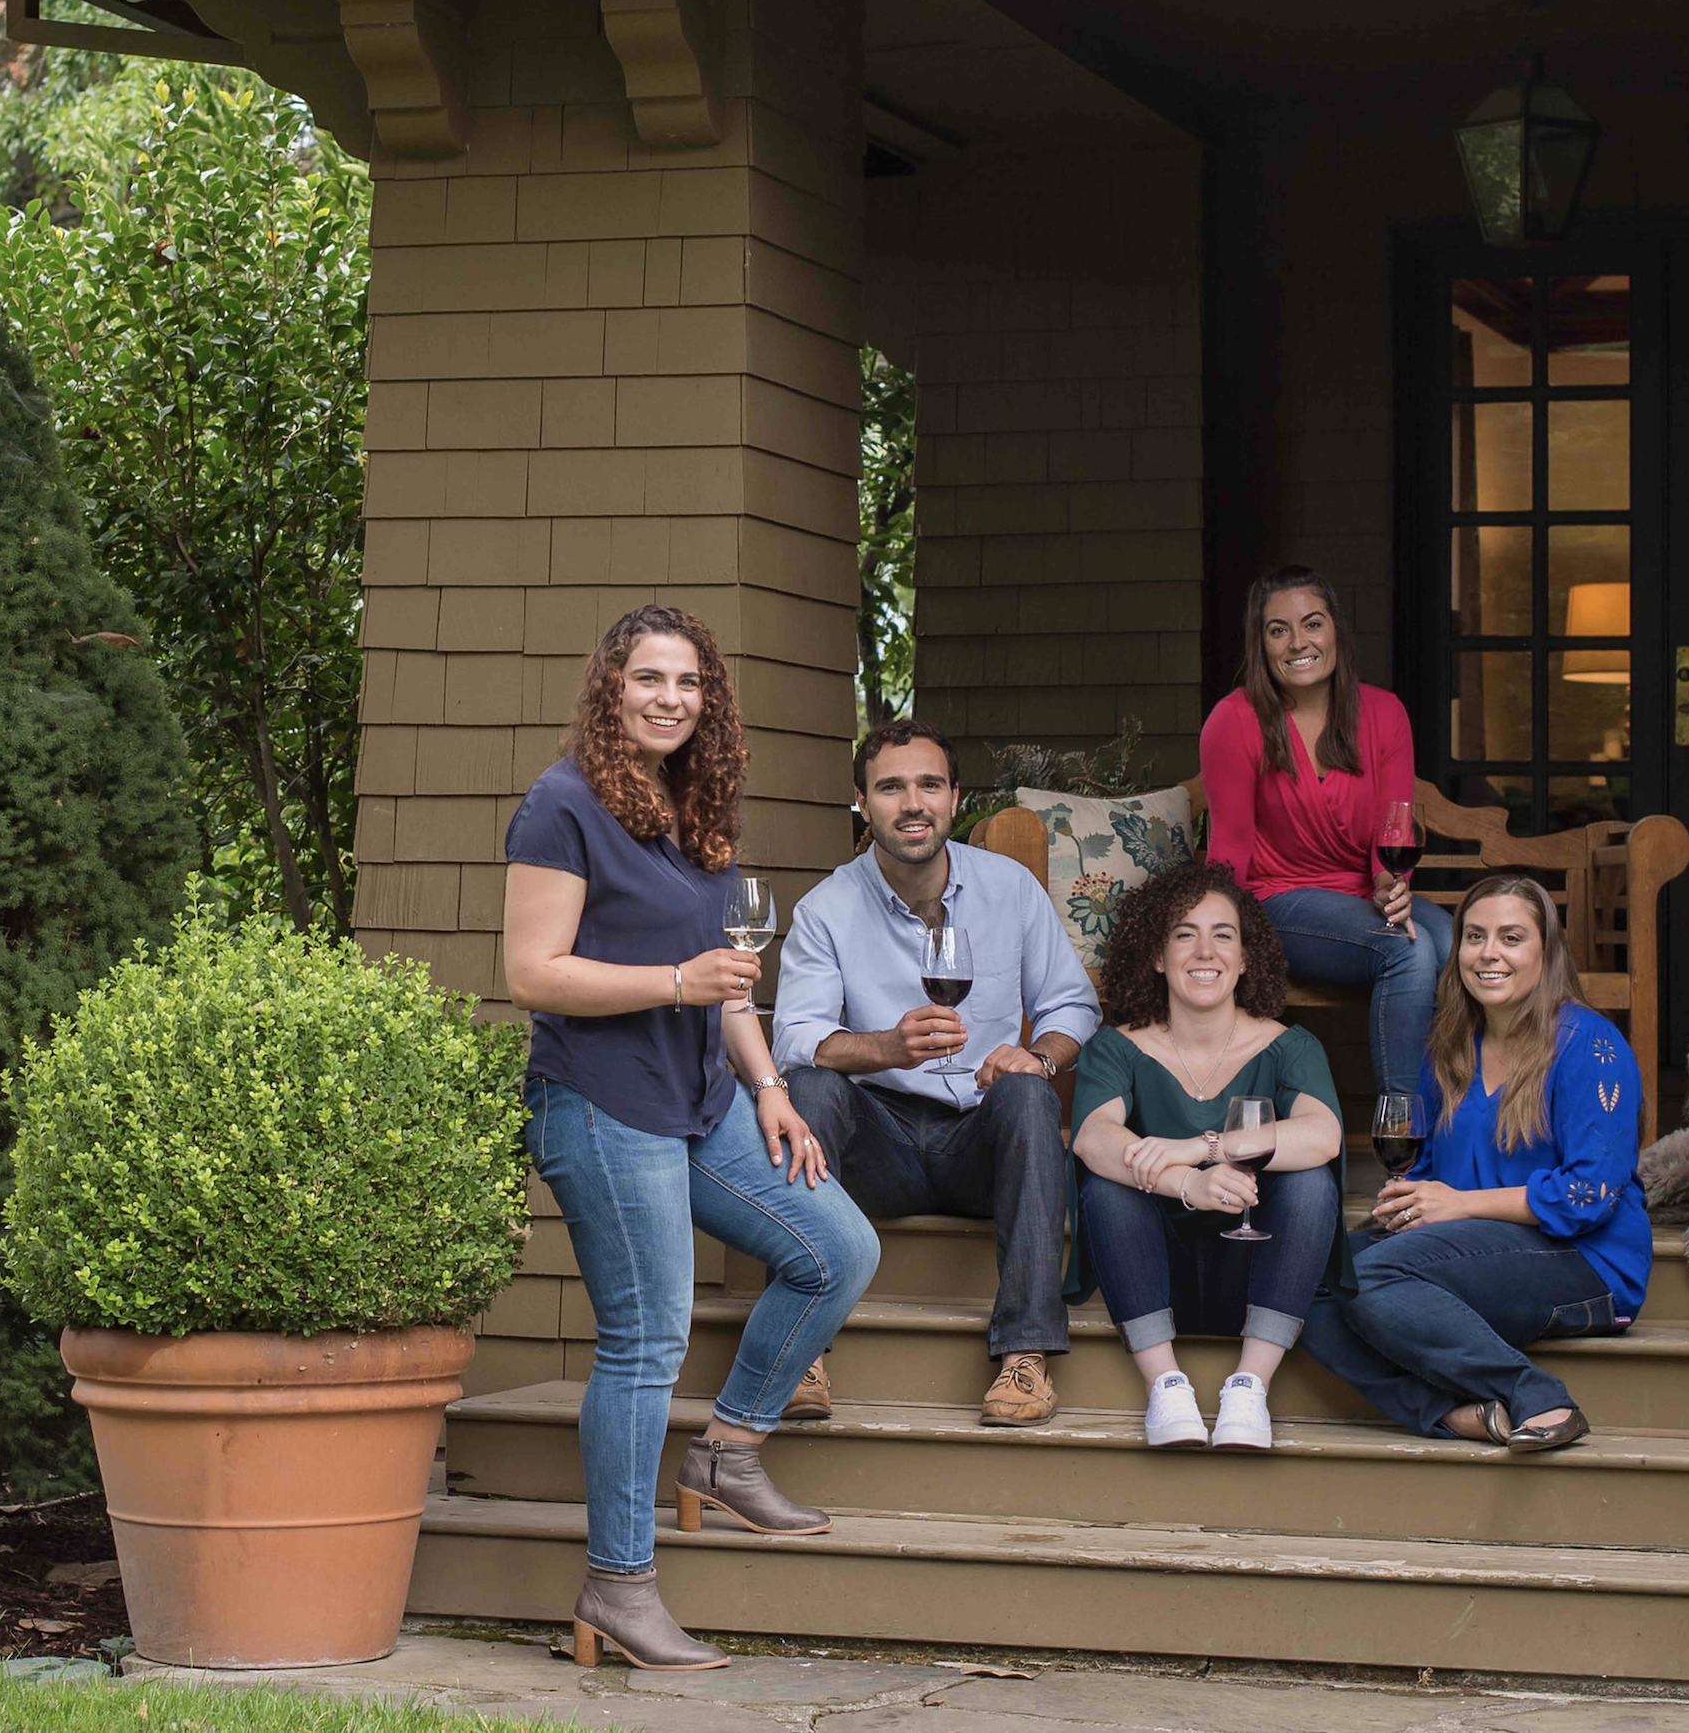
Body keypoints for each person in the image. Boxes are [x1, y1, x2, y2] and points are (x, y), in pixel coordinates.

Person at [502, 604, 880, 1672]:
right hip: (601, 1102)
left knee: (836, 1249)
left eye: (688, 681)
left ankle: (728, 1451)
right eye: (648, 677)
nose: (670, 696)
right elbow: (532, 972)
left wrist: (770, 1086)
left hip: (702, 1098)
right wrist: (675, 981)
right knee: (645, 1342)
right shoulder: (562, 803)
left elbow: (729, 983)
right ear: (610, 687)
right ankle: (618, 1585)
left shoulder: (691, 809)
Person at [774, 718, 1101, 1428]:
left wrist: (1037, 1055)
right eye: (890, 788)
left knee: (1028, 1094)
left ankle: (1027, 1356)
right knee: (811, 1089)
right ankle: (799, 1347)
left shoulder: (1009, 890)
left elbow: (1073, 1005)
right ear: (863, 803)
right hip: (876, 1147)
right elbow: (795, 1036)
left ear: (955, 798)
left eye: (928, 784)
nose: (911, 802)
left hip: (981, 1142)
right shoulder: (826, 909)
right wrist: (886, 1048)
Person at [1300, 874, 1650, 1453]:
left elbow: (1591, 1193)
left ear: (1547, 951)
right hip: (1471, 1244)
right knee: (1307, 1271)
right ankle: (1455, 1413)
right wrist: (1409, 1199)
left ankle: (1536, 1395)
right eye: (1474, 936)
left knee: (1373, 1276)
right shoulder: (1452, 1045)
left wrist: (1456, 1204)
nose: (1489, 954)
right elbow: (1430, 1163)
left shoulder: (1592, 1045)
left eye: (1511, 938)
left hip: (1584, 1260)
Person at [1068, 861, 1348, 1451]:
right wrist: (1187, 1184)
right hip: (1151, 1270)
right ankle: (1166, 1387)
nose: (1205, 951)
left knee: (1310, 1180)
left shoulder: (1288, 1045)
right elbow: (1094, 1136)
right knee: (1108, 1184)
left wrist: (1203, 1147)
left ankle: (1249, 1388)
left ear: (1246, 958)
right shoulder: (1117, 1047)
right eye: (1183, 933)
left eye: (1223, 934)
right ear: (1156, 955)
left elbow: (1323, 1134)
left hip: (1254, 1273)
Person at [1200, 566, 1452, 1100]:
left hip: (1362, 895)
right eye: (1278, 630)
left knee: (1456, 943)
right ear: (1262, 643)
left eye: (1312, 623)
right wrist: (1216, 934)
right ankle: (1404, 1137)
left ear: (1335, 628)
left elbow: (1394, 829)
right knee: (1407, 950)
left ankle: (1482, 1118)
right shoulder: (1235, 719)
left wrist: (1390, 883)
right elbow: (1230, 849)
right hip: (1277, 899)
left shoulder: (1384, 713)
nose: (1298, 643)